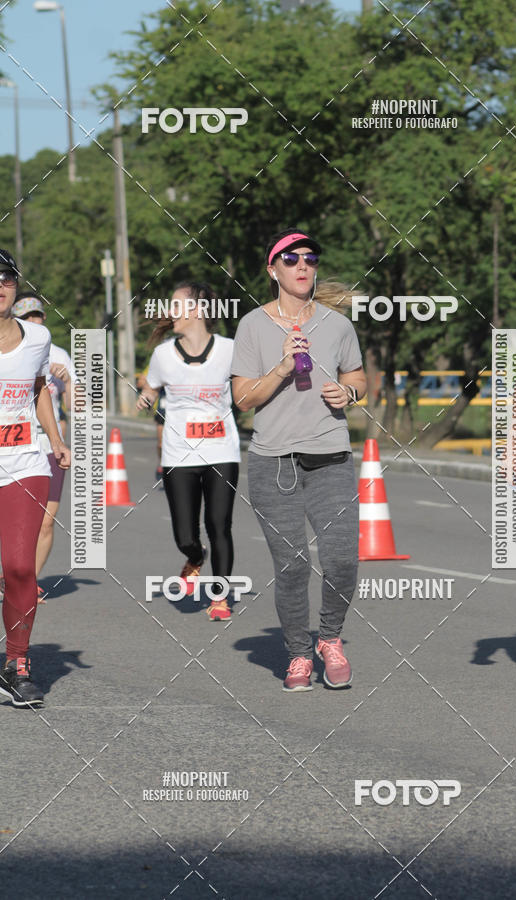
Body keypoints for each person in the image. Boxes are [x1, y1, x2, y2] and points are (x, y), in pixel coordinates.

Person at [231, 229, 366, 692]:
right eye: (291, 259)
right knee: (292, 566)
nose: (303, 266)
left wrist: (347, 392)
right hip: (275, 462)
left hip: (331, 455)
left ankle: (329, 638)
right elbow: (243, 398)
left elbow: (359, 377)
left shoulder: (337, 324)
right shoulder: (252, 325)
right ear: (273, 270)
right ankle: (298, 653)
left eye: (310, 258)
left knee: (343, 559)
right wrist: (284, 367)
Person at [137, 281, 240, 620]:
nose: (169, 314)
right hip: (179, 453)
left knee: (219, 525)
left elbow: (247, 390)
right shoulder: (163, 355)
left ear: (197, 311)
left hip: (222, 450)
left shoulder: (230, 350)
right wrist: (146, 397)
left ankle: (220, 597)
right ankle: (195, 557)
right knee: (185, 534)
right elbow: (151, 386)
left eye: (176, 306)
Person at [0, 250, 71, 707]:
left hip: (26, 461)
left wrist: (57, 439)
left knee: (21, 566)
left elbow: (39, 387)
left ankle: (17, 663)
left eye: (5, 278)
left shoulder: (39, 337)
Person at [12, 292, 74, 600]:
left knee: (46, 521)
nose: (33, 321)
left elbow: (79, 405)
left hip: (48, 446)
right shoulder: (9, 349)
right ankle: (13, 573)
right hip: (13, 446)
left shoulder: (59, 354)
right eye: (26, 317)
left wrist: (69, 384)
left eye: (37, 315)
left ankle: (28, 582)